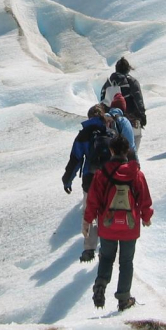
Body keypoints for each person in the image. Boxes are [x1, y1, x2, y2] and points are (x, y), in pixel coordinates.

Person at [84, 135, 153, 312]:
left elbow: (93, 200)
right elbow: (144, 198)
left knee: (106, 257)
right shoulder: (136, 173)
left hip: (107, 226)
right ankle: (123, 298)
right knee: (126, 261)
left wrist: (87, 220)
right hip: (130, 227)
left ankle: (101, 282)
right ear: (127, 150)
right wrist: (146, 217)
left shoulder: (102, 174)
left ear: (111, 151)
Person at [62, 104, 111, 262]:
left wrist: (67, 180)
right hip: (109, 179)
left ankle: (89, 248)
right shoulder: (110, 130)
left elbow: (76, 159)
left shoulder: (84, 134)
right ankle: (106, 245)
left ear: (89, 117)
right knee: (106, 212)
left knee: (89, 213)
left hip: (90, 180)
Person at [100, 57, 147, 150]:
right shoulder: (131, 81)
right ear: (128, 69)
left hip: (111, 120)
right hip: (131, 118)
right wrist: (142, 115)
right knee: (134, 141)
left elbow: (103, 101)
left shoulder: (108, 83)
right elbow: (138, 99)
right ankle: (131, 162)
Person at [106, 93, 137, 161]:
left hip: (102, 161)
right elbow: (130, 145)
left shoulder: (104, 118)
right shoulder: (123, 121)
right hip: (119, 161)